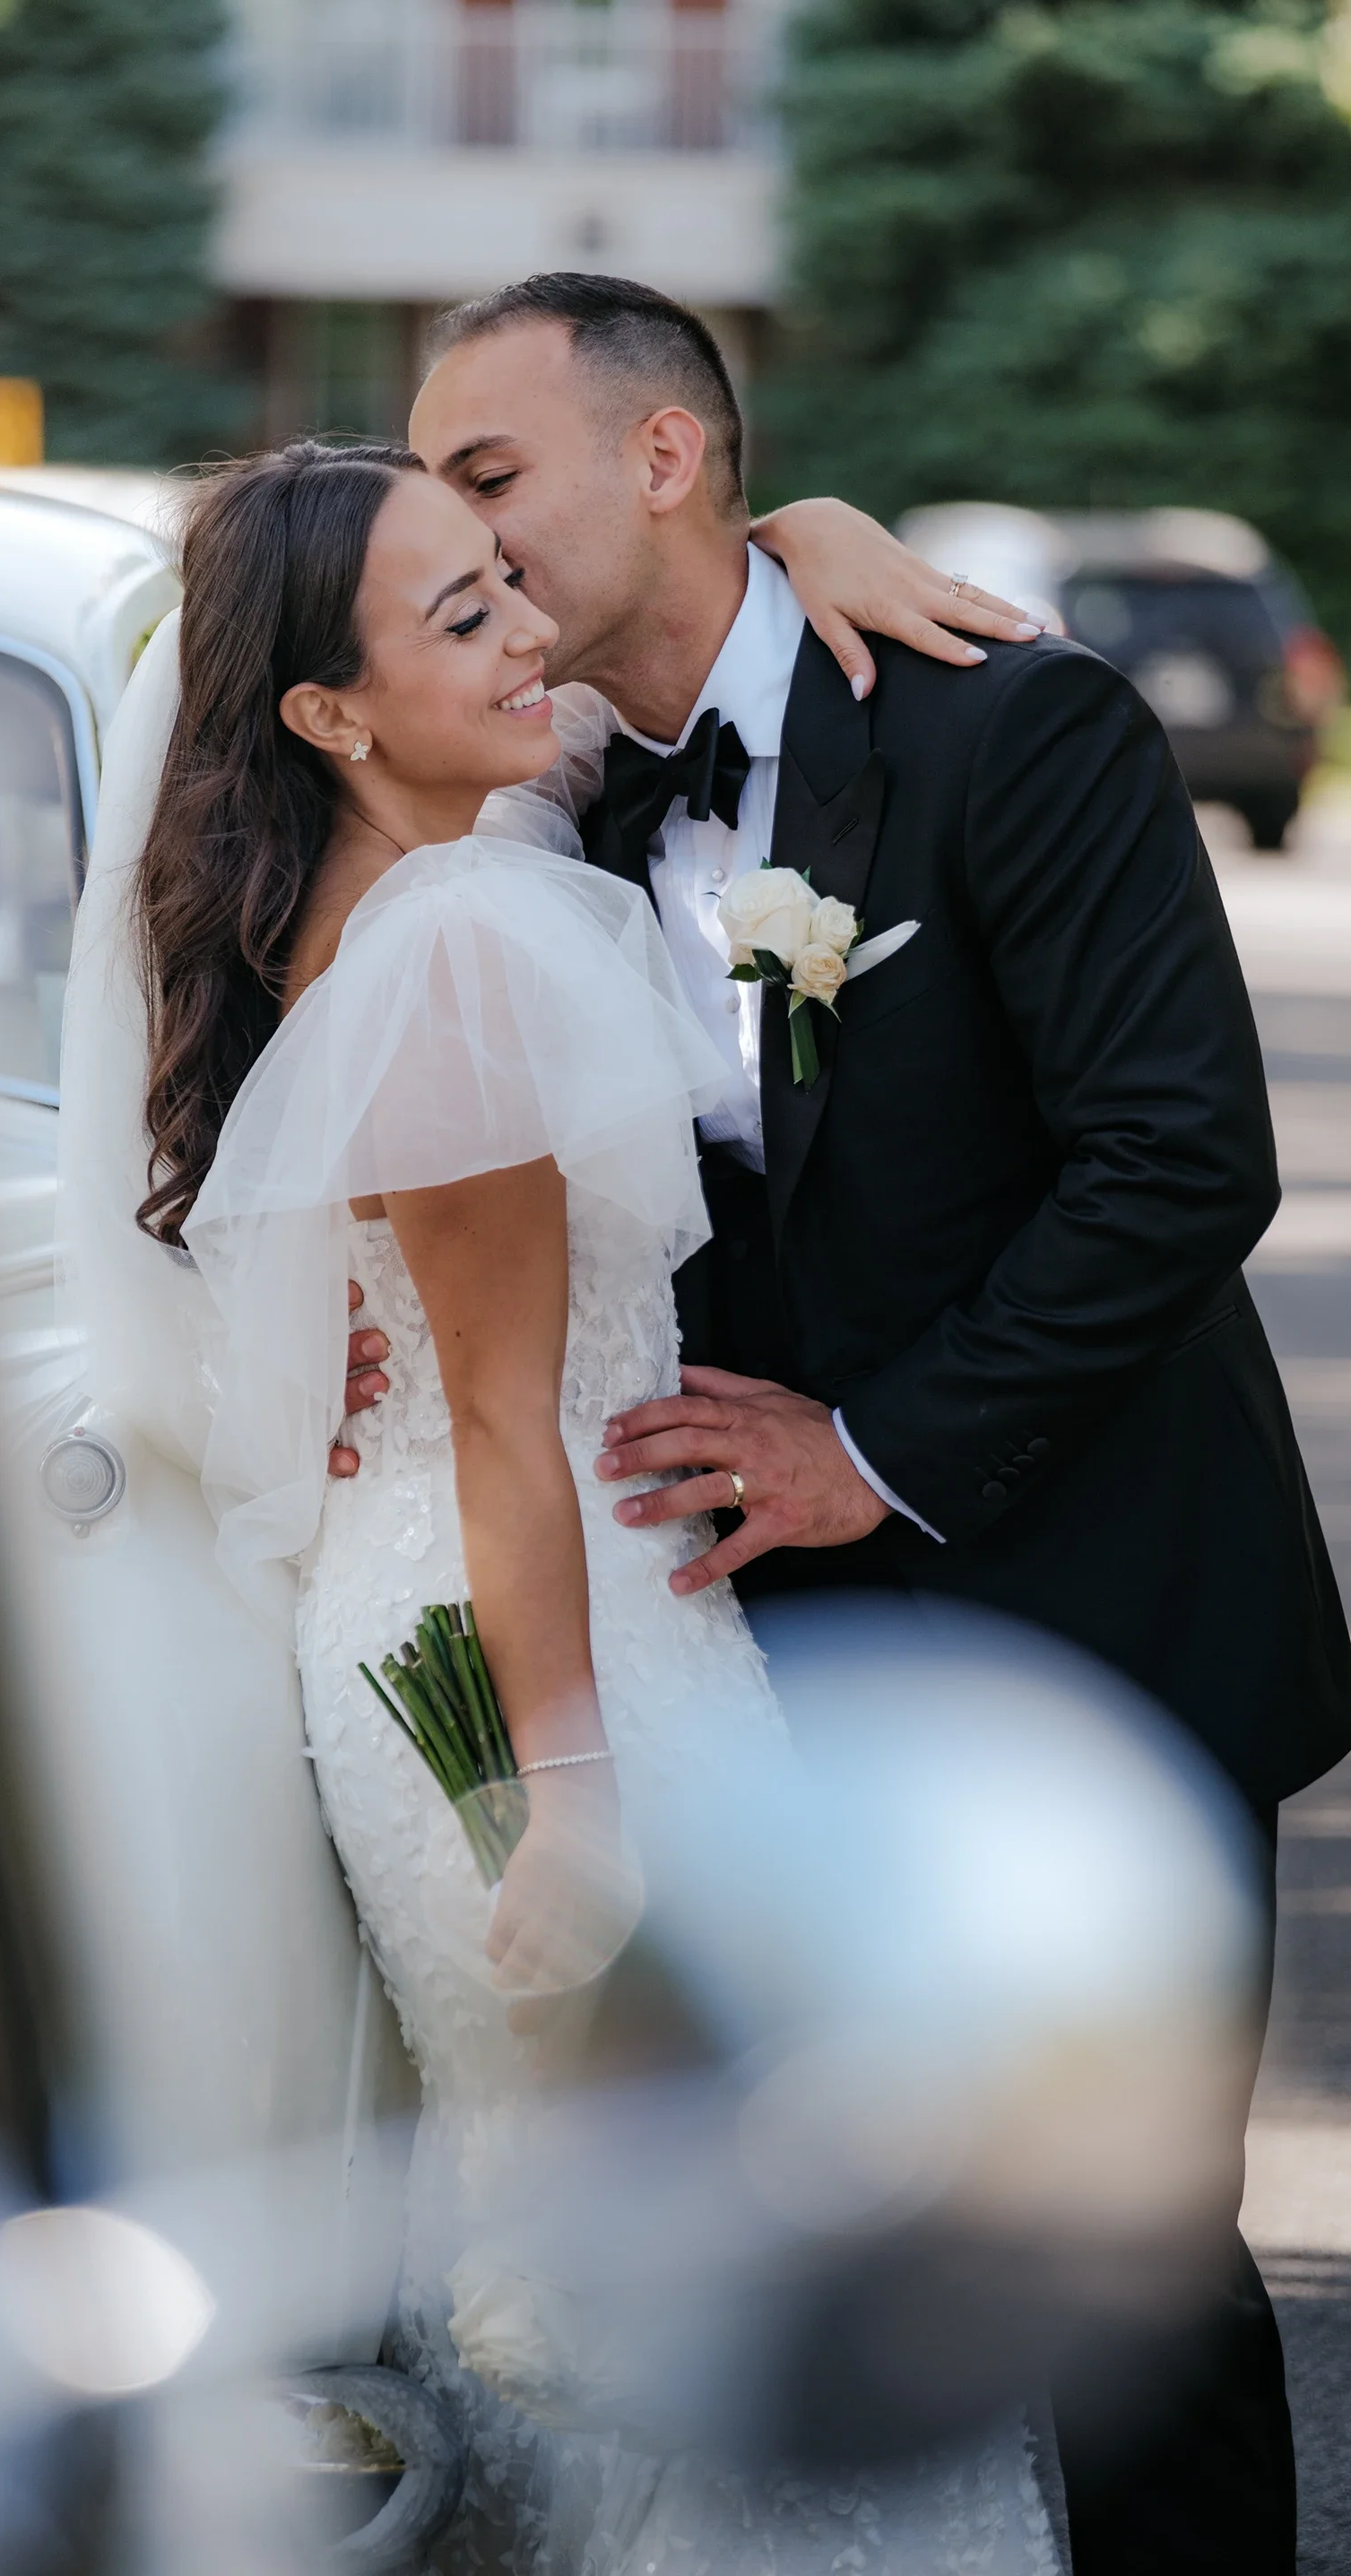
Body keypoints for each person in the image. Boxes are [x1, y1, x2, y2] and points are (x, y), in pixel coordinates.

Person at [349, 272, 1351, 2576]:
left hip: (1111, 1605)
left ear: (668, 461)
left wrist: (872, 1450)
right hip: (759, 1666)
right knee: (844, 2272)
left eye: (492, 476)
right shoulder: (546, 808)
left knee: (1130, 2268)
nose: (467, 534)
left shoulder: (1023, 730)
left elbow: (1182, 1160)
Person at [128, 442, 1064, 2576]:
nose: (527, 633)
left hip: (475, 1602)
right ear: (328, 716)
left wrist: (799, 533)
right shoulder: (460, 951)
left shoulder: (420, 867)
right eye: (460, 620)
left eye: (506, 578)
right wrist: (571, 1791)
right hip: (536, 1656)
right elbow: (493, 1422)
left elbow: (640, 611)